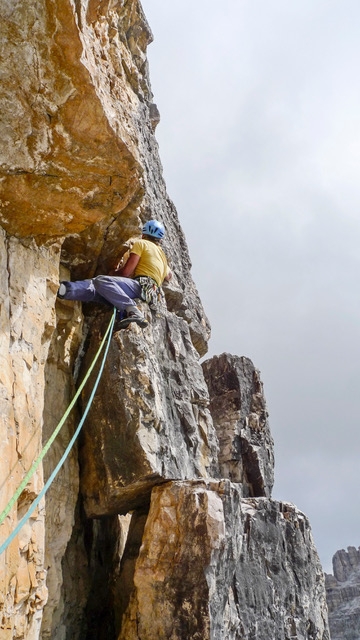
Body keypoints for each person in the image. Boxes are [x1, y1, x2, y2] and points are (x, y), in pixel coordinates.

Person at [57, 219, 172, 328]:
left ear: (143, 235)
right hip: (151, 294)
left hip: (140, 287)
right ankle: (66, 290)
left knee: (101, 280)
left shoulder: (141, 244)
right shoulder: (163, 257)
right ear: (159, 240)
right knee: (96, 289)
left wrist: (114, 273)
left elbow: (126, 272)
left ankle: (132, 309)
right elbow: (168, 276)